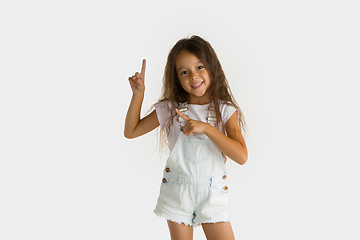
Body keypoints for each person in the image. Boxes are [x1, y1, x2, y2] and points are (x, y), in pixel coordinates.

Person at [124, 35, 248, 240]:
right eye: (184, 72)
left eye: (200, 67)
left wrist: (207, 128)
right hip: (178, 192)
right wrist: (138, 95)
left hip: (212, 194)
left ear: (212, 67)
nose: (193, 76)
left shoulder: (226, 110)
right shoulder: (170, 109)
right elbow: (131, 131)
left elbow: (241, 156)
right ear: (177, 78)